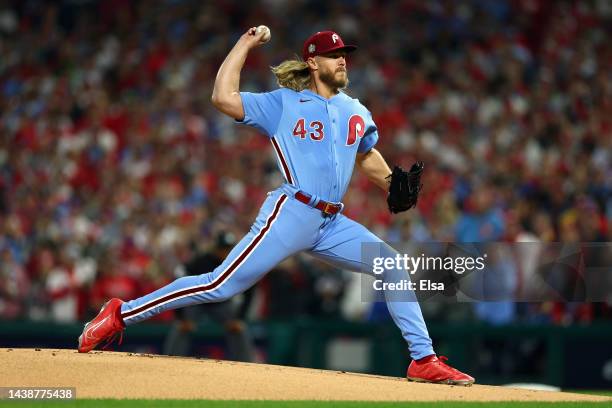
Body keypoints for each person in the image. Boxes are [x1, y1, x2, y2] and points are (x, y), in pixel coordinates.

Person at [77, 28, 475, 386]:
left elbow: (366, 154)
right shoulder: (283, 103)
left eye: (344, 53)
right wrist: (245, 43)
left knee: (392, 266)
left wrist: (391, 182)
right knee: (220, 285)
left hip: (332, 222)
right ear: (312, 62)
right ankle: (120, 312)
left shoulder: (355, 109)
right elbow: (222, 98)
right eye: (334, 54)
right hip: (292, 211)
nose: (342, 59)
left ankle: (422, 359)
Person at [163, 231, 255, 362]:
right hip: (197, 303)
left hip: (221, 305)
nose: (226, 252)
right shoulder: (201, 262)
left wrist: (239, 318)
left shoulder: (236, 264)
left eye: (229, 249)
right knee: (180, 327)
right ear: (216, 248)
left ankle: (246, 363)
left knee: (240, 329)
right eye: (223, 248)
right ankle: (169, 360)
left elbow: (250, 289)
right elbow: (179, 283)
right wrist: (181, 317)